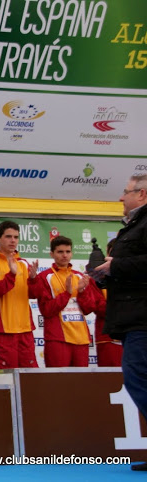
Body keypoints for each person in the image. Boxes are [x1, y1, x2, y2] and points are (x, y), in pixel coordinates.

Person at [93, 174, 147, 472]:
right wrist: (110, 272)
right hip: (133, 314)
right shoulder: (134, 226)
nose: (120, 198)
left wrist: (116, 265)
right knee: (137, 377)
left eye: (125, 192)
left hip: (142, 317)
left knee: (137, 376)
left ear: (141, 194)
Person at [0, 221, 39, 370]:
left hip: (25, 330)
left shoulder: (24, 264)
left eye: (16, 237)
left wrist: (33, 280)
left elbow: (33, 295)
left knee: (28, 378)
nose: (13, 240)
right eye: (8, 236)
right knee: (3, 378)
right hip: (1, 331)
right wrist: (11, 275)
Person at [34, 236, 97, 367]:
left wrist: (82, 292)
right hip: (58, 339)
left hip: (81, 339)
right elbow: (46, 310)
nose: (65, 255)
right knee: (59, 383)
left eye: (68, 252)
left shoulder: (80, 276)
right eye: (60, 252)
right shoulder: (44, 277)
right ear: (52, 254)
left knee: (80, 384)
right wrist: (67, 294)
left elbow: (89, 308)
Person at [92, 240, 123, 367]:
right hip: (108, 339)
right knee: (111, 381)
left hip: (134, 335)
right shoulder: (99, 276)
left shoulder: (137, 275)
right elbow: (98, 307)